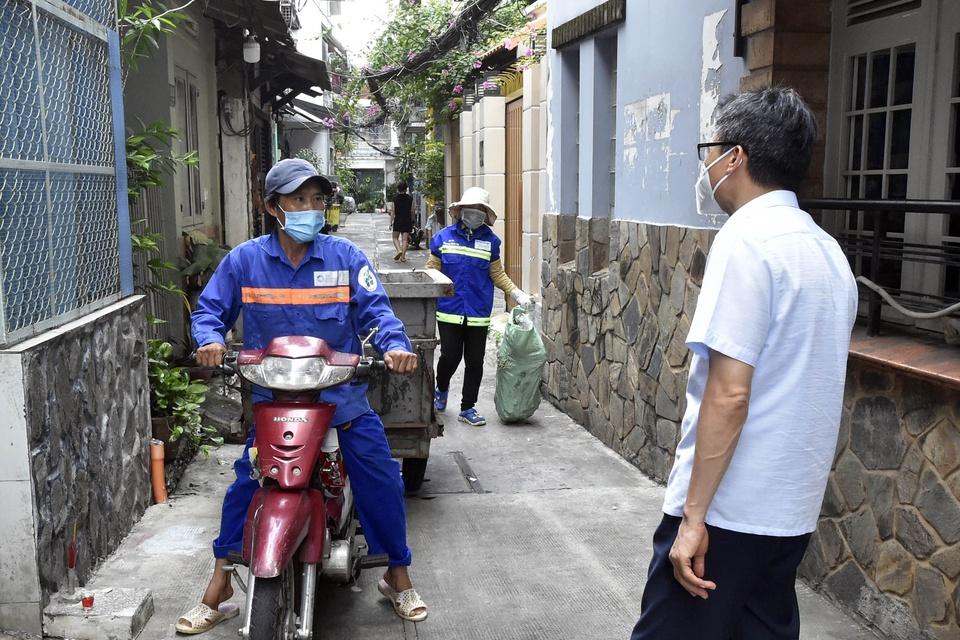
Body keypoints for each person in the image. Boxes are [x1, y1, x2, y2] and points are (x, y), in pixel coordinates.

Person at [630, 88, 858, 640]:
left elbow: (729, 395)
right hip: (790, 512)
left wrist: (692, 517)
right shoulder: (827, 251)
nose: (704, 163)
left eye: (709, 149)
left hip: (726, 514)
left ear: (735, 157)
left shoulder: (747, 241)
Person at [175, 158, 428, 635]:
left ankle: (397, 574)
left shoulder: (346, 257)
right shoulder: (245, 260)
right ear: (274, 208)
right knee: (245, 487)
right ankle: (221, 582)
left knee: (380, 477)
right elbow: (209, 310)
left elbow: (377, 312)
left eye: (317, 200)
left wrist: (394, 346)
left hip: (342, 400)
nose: (310, 209)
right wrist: (209, 341)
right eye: (298, 200)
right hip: (276, 403)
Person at [426, 187, 531, 427]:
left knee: (475, 361)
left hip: (478, 313)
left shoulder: (491, 241)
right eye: (470, 209)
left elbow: (497, 274)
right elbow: (431, 271)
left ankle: (468, 407)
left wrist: (516, 293)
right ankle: (441, 389)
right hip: (449, 311)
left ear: (485, 213)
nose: (474, 213)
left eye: (479, 209)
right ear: (460, 210)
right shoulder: (443, 238)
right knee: (450, 357)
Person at [391, 182, 414, 262]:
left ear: (398, 189)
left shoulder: (395, 198)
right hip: (407, 220)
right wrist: (413, 220)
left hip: (398, 219)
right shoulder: (410, 198)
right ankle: (403, 257)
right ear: (406, 189)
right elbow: (412, 210)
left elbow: (393, 211)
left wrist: (391, 222)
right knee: (404, 240)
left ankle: (399, 250)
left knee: (395, 237)